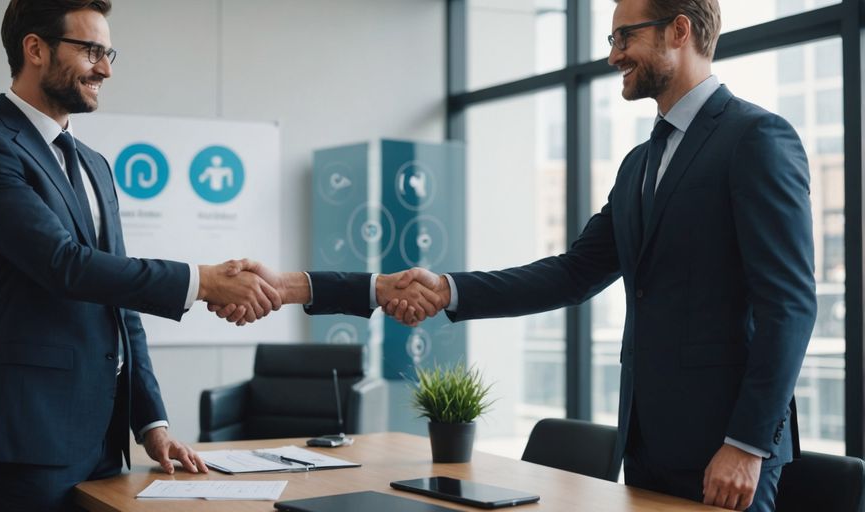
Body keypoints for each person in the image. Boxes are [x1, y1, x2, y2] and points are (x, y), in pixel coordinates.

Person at [221, 0, 816, 510]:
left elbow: (789, 306)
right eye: (611, 40)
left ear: (679, 30)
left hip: (726, 452)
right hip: (648, 443)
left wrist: (746, 444)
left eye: (624, 37)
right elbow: (572, 274)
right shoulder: (640, 163)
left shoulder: (755, 139)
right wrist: (447, 290)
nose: (613, 55)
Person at [0, 1, 282, 509]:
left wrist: (151, 423)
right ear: (35, 49)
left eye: (108, 53)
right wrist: (203, 282)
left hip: (102, 440)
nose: (105, 69)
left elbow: (119, 304)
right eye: (91, 51)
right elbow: (63, 265)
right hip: (26, 438)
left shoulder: (95, 164)